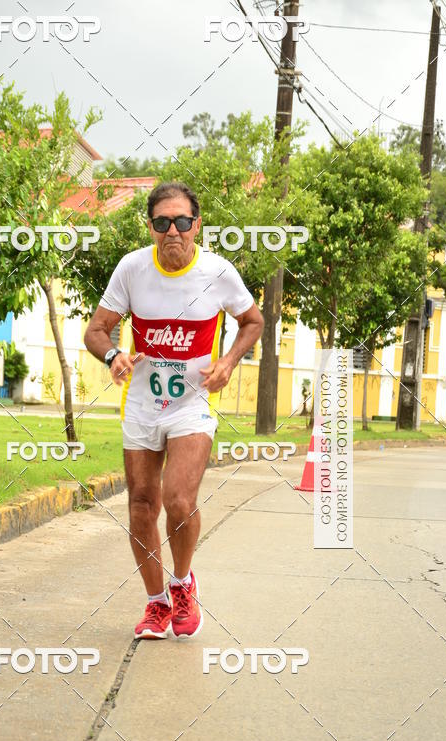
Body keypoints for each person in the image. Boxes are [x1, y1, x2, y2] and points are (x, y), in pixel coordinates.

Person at [84, 181, 264, 640]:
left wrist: (228, 362)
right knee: (141, 505)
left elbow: (253, 321)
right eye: (162, 222)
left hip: (193, 402)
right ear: (151, 227)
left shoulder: (218, 272)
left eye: (182, 221)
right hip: (142, 403)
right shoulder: (132, 269)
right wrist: (113, 355)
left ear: (196, 225)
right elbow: (97, 330)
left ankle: (183, 584)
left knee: (178, 500)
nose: (173, 231)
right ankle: (156, 603)